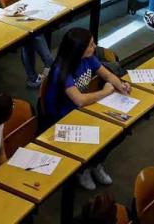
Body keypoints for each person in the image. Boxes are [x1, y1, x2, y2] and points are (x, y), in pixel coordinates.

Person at [42, 27, 129, 190]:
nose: (94, 47)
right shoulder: (62, 69)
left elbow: (107, 75)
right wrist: (106, 92)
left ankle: (95, 163)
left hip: (82, 111)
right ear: (78, 50)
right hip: (62, 119)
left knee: (120, 131)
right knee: (102, 134)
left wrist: (120, 85)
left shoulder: (88, 58)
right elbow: (80, 100)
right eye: (90, 45)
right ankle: (83, 170)